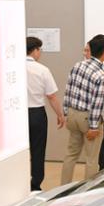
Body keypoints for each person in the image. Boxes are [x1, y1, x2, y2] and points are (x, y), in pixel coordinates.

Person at [61, 34, 104, 184]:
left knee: (71, 155)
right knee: (91, 159)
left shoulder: (78, 65)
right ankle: (88, 193)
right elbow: (97, 103)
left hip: (73, 115)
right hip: (88, 119)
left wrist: (66, 113)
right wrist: (94, 127)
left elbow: (67, 90)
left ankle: (63, 189)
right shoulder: (101, 75)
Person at [25, 36, 65, 191]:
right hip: (37, 114)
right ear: (35, 50)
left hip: (18, 115)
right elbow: (52, 96)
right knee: (38, 150)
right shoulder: (42, 70)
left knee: (20, 151)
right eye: (39, 50)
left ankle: (20, 182)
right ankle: (35, 184)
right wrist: (60, 115)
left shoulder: (14, 68)